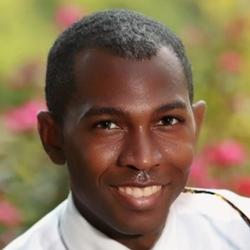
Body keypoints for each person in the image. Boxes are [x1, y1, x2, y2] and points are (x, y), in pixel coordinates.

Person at [4, 9, 250, 250]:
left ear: (195, 125)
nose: (142, 159)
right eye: (107, 125)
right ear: (53, 138)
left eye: (167, 121)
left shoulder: (241, 230)